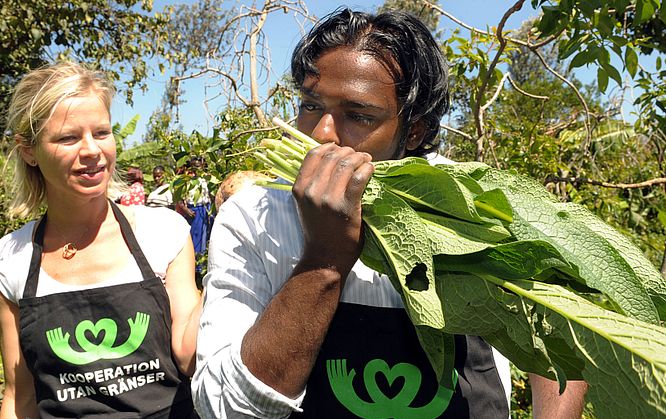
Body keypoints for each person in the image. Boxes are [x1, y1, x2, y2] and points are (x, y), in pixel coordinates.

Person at [192, 8, 588, 418]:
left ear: (413, 130)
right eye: (311, 105)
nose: (321, 133)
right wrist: (325, 260)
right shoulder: (254, 218)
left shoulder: (476, 204)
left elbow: (559, 328)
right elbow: (224, 408)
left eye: (359, 115)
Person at [0, 61, 201, 417]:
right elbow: (20, 397)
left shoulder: (164, 233)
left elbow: (189, 355)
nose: (92, 151)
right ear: (28, 150)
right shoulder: (5, 263)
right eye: (68, 138)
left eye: (101, 133)